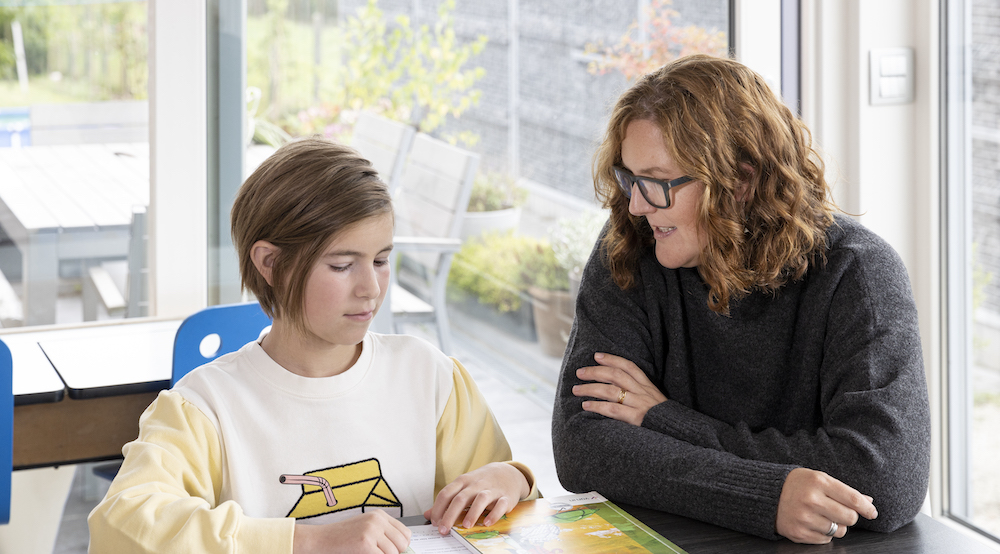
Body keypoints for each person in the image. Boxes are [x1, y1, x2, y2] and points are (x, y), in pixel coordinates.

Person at [88, 137, 537, 553]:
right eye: (342, 265)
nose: (370, 288)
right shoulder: (203, 408)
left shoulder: (431, 377)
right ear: (270, 263)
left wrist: (512, 477)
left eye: (381, 260)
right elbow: (121, 527)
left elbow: (508, 515)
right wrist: (307, 542)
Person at [551, 54, 930, 544]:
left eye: (658, 183)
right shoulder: (630, 244)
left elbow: (884, 479)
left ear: (740, 182)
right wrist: (767, 495)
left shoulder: (858, 273)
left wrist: (661, 418)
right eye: (630, 178)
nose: (638, 204)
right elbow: (584, 448)